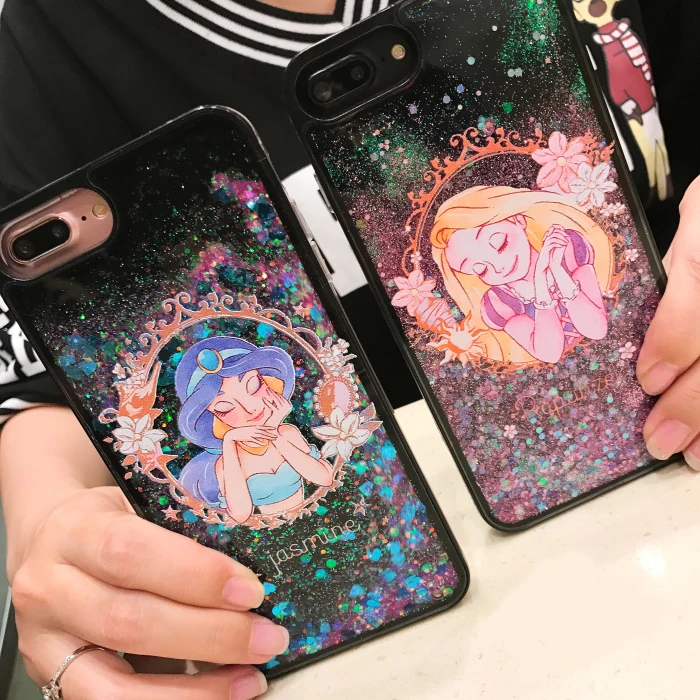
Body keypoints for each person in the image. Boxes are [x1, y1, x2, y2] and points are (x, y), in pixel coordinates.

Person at [0, 0, 698, 698]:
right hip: (371, 635)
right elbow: (50, 393)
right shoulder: (41, 54)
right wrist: (53, 528)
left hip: (664, 478)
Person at [429, 186, 612, 364]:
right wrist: (540, 282)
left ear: (517, 220)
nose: (499, 267)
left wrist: (557, 269)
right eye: (480, 269)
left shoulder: (567, 249)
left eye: (500, 244)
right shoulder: (500, 302)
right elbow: (550, 354)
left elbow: (597, 330)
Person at [175, 338, 333, 522]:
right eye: (225, 408)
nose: (250, 408)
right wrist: (229, 441)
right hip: (273, 535)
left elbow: (325, 478)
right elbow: (241, 514)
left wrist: (274, 433)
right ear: (214, 418)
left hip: (320, 520)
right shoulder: (226, 462)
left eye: (254, 385)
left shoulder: (287, 434)